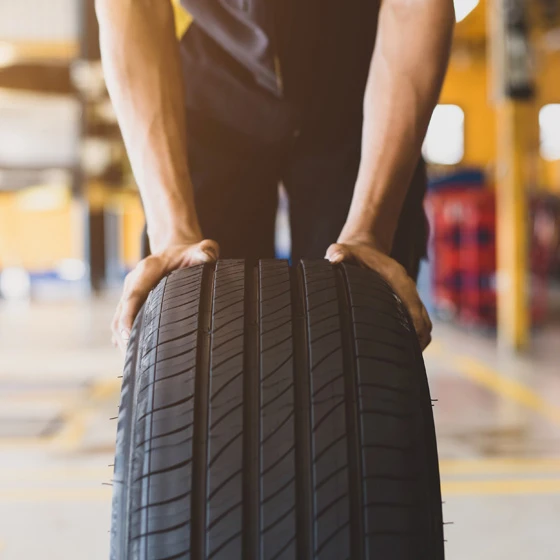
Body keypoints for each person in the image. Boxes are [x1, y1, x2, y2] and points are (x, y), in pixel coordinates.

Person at [96, 0, 455, 352]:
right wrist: (170, 234)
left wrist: (370, 232)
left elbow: (413, 6)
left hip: (357, 82)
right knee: (188, 309)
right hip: (213, 82)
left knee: (358, 306)